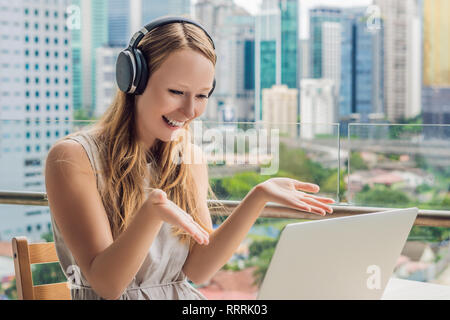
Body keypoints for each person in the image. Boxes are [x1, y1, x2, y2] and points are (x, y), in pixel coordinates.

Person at [44, 16, 335, 300]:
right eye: (176, 92)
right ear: (133, 81)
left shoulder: (189, 157)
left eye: (202, 96)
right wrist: (151, 213)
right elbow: (108, 286)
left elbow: (199, 268)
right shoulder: (73, 158)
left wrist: (257, 198)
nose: (190, 111)